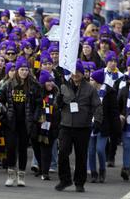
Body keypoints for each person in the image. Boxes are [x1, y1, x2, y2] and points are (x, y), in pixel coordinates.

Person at [55, 60, 102, 193]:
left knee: (81, 156)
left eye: (78, 72)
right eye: (73, 72)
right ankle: (65, 179)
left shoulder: (90, 89)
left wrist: (97, 120)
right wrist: (58, 101)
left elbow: (97, 105)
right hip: (66, 125)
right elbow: (57, 104)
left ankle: (79, 182)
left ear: (83, 73)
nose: (75, 74)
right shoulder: (64, 87)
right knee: (63, 152)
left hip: (83, 127)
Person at [0, 56, 40, 187]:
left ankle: (21, 175)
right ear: (17, 70)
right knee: (10, 148)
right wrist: (4, 113)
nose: (24, 72)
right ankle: (11, 175)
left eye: (26, 69)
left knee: (23, 148)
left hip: (26, 122)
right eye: (21, 69)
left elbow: (39, 104)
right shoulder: (8, 85)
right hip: (11, 121)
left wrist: (34, 118)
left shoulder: (34, 85)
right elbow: (0, 101)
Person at [88, 69, 119, 183]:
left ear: (98, 81)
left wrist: (115, 128)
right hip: (90, 125)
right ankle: (93, 173)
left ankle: (102, 170)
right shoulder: (89, 91)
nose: (89, 81)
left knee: (100, 150)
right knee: (91, 151)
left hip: (104, 125)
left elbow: (114, 112)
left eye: (92, 80)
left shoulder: (109, 92)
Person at [32, 71, 60, 181]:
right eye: (48, 81)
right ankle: (41, 167)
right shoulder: (36, 94)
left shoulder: (57, 94)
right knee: (36, 149)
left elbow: (59, 110)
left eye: (52, 81)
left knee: (46, 150)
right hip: (36, 125)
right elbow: (31, 108)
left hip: (50, 127)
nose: (50, 83)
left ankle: (45, 172)